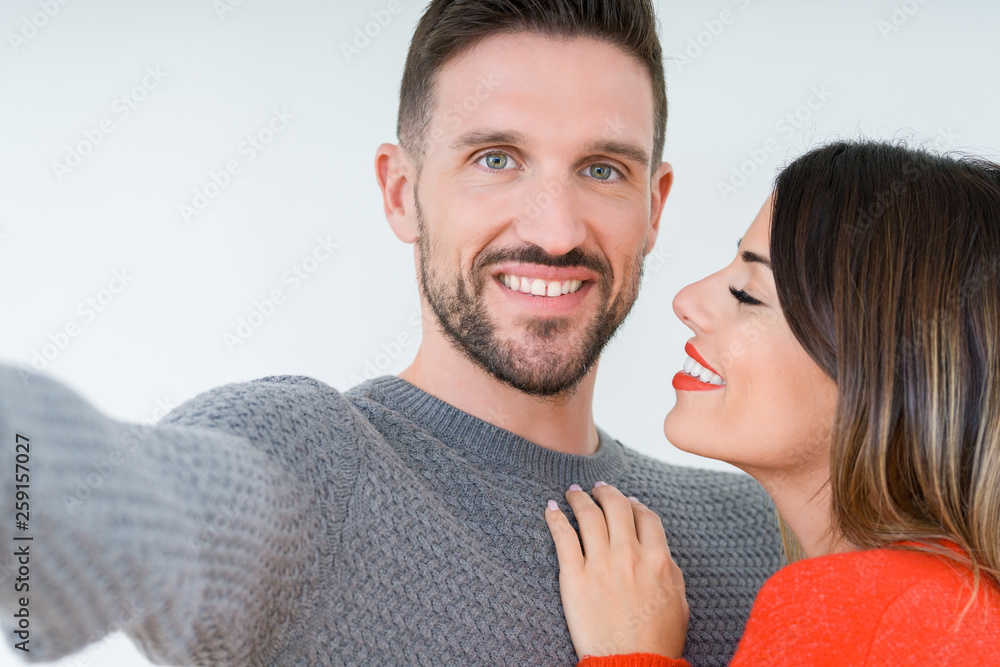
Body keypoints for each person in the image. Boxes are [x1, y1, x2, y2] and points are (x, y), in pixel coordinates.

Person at [0, 1, 782, 665]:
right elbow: (99, 505)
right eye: (497, 158)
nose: (555, 231)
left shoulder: (761, 532)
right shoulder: (309, 469)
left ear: (655, 204)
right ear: (401, 192)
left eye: (603, 169)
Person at [544, 140, 1000, 665]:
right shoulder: (954, 600)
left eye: (749, 294)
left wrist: (629, 654)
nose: (687, 299)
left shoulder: (869, 609)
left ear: (883, 370)